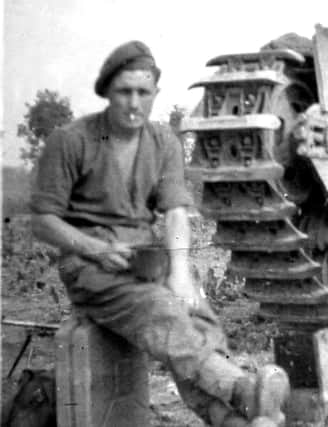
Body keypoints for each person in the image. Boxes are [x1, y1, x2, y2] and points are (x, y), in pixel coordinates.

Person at [30, 40, 289, 427]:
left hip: (145, 259)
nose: (134, 103)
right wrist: (95, 248)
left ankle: (228, 419)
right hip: (91, 268)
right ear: (106, 92)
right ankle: (241, 392)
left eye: (143, 93)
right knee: (163, 312)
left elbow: (175, 211)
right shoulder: (71, 141)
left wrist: (181, 272)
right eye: (124, 92)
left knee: (197, 318)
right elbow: (43, 221)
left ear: (155, 95)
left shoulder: (162, 141)